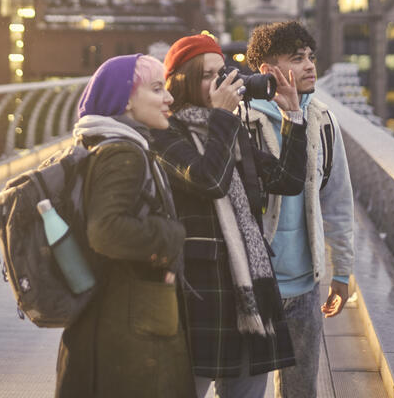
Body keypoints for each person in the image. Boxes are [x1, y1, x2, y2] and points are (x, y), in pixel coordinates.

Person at [150, 33, 308, 398]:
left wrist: (292, 116)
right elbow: (209, 179)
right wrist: (222, 116)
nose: (220, 83)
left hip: (249, 288)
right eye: (208, 75)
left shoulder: (231, 128)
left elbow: (287, 181)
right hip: (199, 291)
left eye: (222, 73)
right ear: (182, 80)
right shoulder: (164, 133)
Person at [55, 54, 195, 398]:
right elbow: (106, 230)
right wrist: (171, 236)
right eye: (157, 89)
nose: (169, 98)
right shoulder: (123, 154)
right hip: (128, 333)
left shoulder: (99, 146)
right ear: (126, 100)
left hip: (106, 320)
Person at [245, 21, 354, 398]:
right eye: (297, 58)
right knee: (242, 391)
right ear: (268, 71)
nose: (310, 66)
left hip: (306, 286)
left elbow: (338, 200)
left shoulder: (323, 121)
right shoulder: (241, 120)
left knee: (301, 392)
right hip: (251, 285)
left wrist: (342, 271)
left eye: (311, 57)